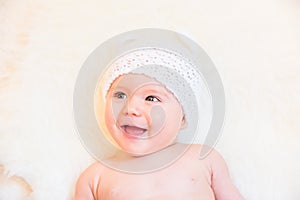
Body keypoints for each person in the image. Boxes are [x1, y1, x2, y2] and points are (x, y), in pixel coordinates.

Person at [74, 48, 244, 200]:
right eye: (120, 95)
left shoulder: (204, 158)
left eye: (151, 98)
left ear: (183, 118)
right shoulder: (95, 177)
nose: (130, 108)